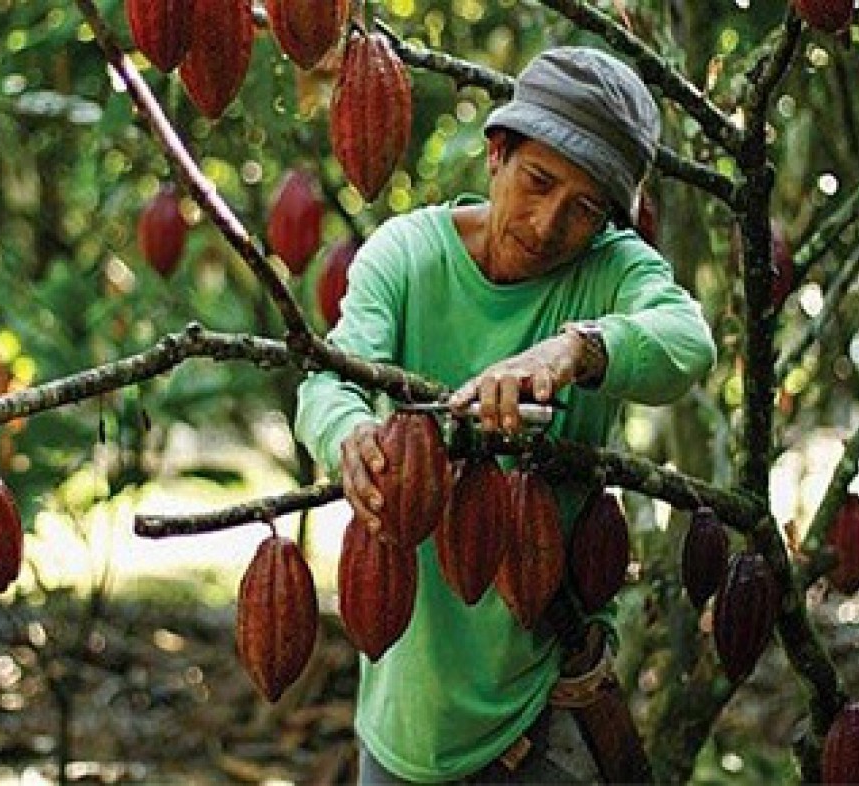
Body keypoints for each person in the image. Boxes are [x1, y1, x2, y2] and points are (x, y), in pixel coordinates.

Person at [295, 46, 716, 784]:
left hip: (545, 706)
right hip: (406, 703)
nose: (551, 222)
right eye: (539, 181)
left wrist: (575, 350)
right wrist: (347, 435)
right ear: (496, 154)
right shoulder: (408, 255)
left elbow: (688, 344)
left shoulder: (612, 269)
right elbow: (328, 380)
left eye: (584, 208)